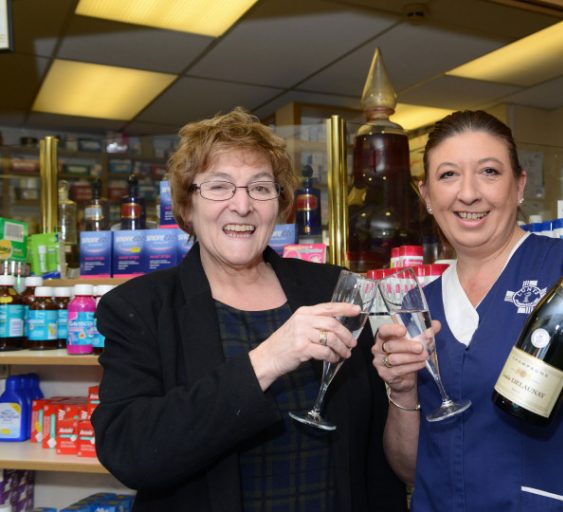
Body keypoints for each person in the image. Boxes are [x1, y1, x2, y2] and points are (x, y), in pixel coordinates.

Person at [92, 107, 407, 512]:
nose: (242, 206)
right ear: (187, 207)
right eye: (219, 187)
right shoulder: (140, 307)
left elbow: (376, 452)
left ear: (280, 204)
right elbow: (130, 452)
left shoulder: (334, 288)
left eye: (260, 188)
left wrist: (403, 385)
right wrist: (268, 360)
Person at [372, 110, 563, 510]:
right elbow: (411, 468)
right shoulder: (417, 306)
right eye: (448, 175)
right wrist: (402, 389)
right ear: (426, 195)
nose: (468, 193)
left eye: (489, 172)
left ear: (519, 186)